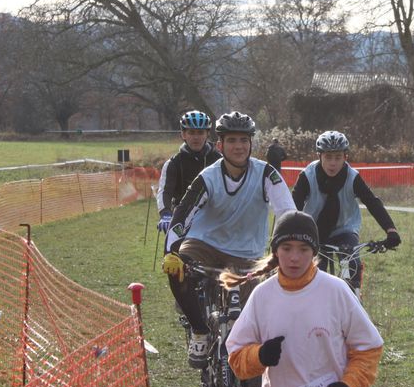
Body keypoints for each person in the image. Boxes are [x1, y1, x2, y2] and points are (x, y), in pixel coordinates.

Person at [225, 210, 383, 387]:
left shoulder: (335, 291)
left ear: (315, 252)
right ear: (275, 251)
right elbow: (236, 356)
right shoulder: (262, 296)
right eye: (286, 249)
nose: (294, 258)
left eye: (303, 249)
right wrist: (259, 355)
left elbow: (368, 347)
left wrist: (350, 385)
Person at [162, 111, 296, 367]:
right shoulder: (208, 177)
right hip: (206, 245)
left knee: (255, 316)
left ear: (251, 144)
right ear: (220, 144)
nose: (238, 146)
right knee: (177, 271)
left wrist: (284, 247)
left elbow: (287, 212)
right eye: (232, 140)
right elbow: (182, 218)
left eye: (244, 140)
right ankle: (200, 330)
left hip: (248, 254)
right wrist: (172, 252)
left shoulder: (267, 174)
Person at [292, 130, 401, 298]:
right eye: (328, 157)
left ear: (345, 157)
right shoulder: (308, 175)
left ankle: (353, 301)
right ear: (319, 156)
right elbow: (294, 207)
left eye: (338, 157)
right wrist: (290, 233)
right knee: (316, 273)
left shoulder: (353, 177)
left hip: (345, 229)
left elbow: (372, 202)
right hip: (313, 229)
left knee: (352, 262)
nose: (333, 163)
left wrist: (390, 230)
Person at [155, 110, 222, 235]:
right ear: (183, 134)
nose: (196, 137)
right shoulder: (173, 163)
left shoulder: (219, 160)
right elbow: (165, 191)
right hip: (182, 220)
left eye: (200, 132)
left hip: (213, 220)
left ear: (207, 134)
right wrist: (165, 214)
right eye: (191, 132)